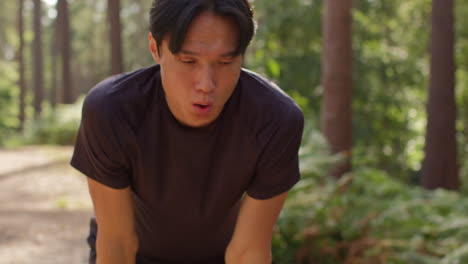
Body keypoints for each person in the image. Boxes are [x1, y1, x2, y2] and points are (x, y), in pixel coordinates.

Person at [70, 0, 304, 263]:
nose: (206, 84)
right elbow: (118, 245)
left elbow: (248, 252)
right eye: (188, 60)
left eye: (226, 62)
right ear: (155, 49)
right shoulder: (111, 111)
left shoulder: (275, 119)